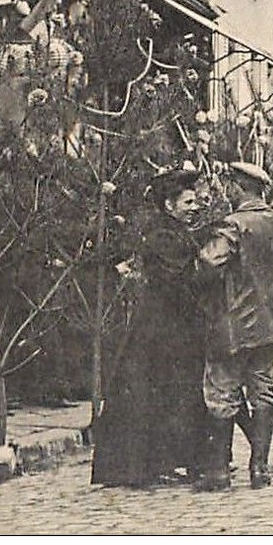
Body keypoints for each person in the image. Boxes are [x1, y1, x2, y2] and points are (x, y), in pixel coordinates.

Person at [90, 168, 209, 488]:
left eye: (195, 200)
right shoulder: (163, 236)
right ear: (169, 206)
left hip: (173, 325)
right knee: (159, 394)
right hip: (161, 327)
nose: (194, 206)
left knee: (175, 393)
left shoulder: (175, 231)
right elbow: (178, 281)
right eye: (187, 201)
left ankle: (171, 462)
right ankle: (148, 466)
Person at [193, 161, 273, 491]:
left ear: (237, 188)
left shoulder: (232, 226)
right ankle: (260, 469)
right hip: (270, 321)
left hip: (233, 323)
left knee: (222, 393)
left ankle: (219, 474)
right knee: (264, 389)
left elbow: (208, 263)